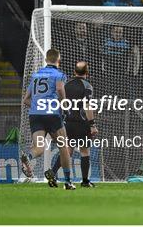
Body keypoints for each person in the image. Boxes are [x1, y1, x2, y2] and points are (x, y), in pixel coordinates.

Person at [20, 49, 75, 190]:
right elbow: (59, 89)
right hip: (51, 114)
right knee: (64, 146)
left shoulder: (36, 75)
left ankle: (28, 156)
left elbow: (26, 99)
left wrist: (38, 106)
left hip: (35, 115)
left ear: (46, 60)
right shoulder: (59, 74)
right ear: (58, 60)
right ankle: (68, 182)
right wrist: (65, 106)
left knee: (39, 147)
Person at [50, 62, 98, 188]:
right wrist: (92, 124)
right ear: (87, 73)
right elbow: (87, 106)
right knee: (84, 151)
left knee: (67, 151)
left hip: (68, 123)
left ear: (74, 71)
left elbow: (60, 102)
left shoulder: (66, 85)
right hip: (82, 123)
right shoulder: (87, 86)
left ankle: (53, 173)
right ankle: (85, 181)